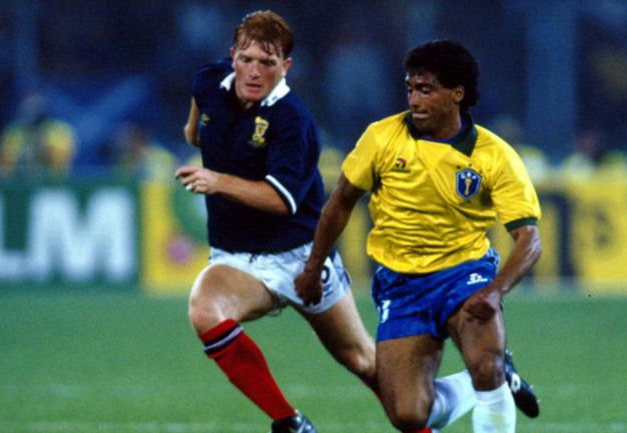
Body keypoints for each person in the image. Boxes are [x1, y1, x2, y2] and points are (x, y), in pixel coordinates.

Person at [177, 13, 537, 432]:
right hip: (254, 260)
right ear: (232, 56)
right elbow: (197, 132)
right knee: (205, 310)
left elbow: (281, 200)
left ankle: (490, 375)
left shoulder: (293, 121)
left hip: (310, 255)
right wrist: (208, 138)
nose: (255, 71)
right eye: (247, 59)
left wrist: (220, 181)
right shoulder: (210, 83)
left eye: (268, 63)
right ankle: (290, 421)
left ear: (286, 67)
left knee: (371, 360)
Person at [295, 40, 542, 433]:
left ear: (456, 94)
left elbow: (529, 238)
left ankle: (493, 373)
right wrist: (313, 267)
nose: (413, 100)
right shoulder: (382, 137)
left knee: (485, 365)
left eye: (425, 90)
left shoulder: (494, 155)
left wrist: (496, 291)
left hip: (464, 273)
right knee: (410, 416)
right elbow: (340, 201)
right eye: (410, 89)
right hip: (402, 283)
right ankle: (494, 378)